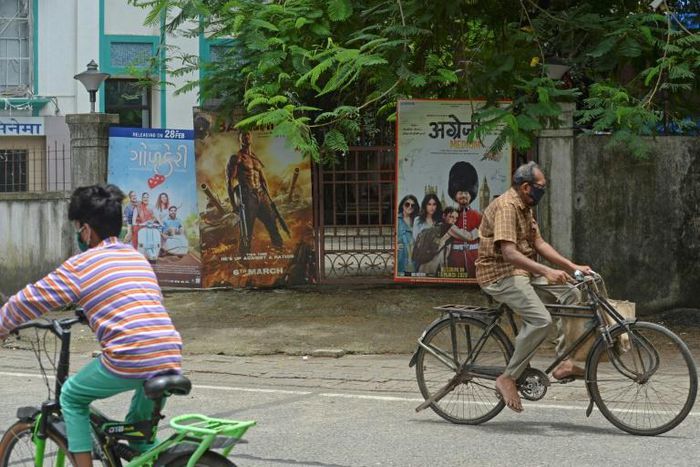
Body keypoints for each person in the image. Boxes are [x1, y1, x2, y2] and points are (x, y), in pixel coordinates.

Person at [0, 184, 183, 467]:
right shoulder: (137, 257)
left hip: (130, 356)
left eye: (77, 228)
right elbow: (131, 301)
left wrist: (2, 324)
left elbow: (31, 299)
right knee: (139, 438)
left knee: (71, 395)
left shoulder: (82, 265)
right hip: (168, 354)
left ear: (85, 230)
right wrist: (90, 311)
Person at [476, 161, 591, 413]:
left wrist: (572, 267)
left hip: (522, 272)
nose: (543, 192)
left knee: (572, 292)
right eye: (541, 187)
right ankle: (508, 377)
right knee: (541, 321)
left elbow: (538, 243)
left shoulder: (525, 206)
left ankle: (567, 361)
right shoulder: (507, 206)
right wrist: (547, 271)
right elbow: (509, 254)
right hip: (499, 274)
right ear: (526, 187)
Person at [226, 131, 284, 255]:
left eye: (248, 135)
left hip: (261, 195)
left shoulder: (255, 158)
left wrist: (269, 198)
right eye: (243, 135)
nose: (246, 137)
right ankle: (244, 260)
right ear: (239, 139)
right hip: (248, 197)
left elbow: (263, 179)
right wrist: (233, 205)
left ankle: (280, 250)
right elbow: (229, 182)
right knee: (246, 230)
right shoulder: (237, 158)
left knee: (272, 222)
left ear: (251, 137)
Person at [446, 162, 482, 278]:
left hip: (474, 258)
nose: (464, 196)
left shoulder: (477, 216)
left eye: (466, 192)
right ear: (454, 194)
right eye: (460, 192)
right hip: (455, 257)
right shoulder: (449, 215)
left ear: (471, 194)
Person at [397, 194, 418, 273]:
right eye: (407, 204)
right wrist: (395, 245)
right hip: (402, 256)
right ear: (402, 205)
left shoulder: (417, 220)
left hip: (415, 257)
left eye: (412, 205)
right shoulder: (398, 220)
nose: (410, 207)